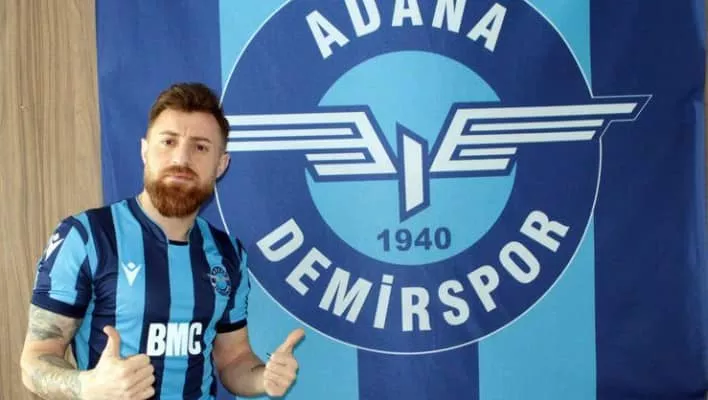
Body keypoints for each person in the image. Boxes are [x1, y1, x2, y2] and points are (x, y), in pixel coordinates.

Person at [20, 82, 304, 399]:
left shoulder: (228, 254)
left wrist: (263, 378)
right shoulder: (87, 237)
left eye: (200, 147)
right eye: (168, 141)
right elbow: (34, 361)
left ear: (221, 164)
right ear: (145, 150)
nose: (181, 158)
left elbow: (233, 359)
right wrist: (86, 385)